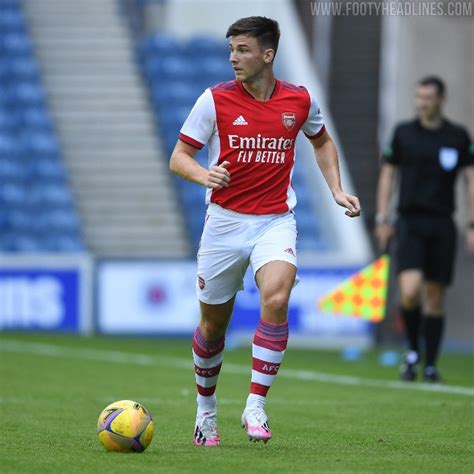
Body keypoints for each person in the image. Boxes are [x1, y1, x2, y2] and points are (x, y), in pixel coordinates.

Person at [170, 16, 361, 447]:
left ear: (268, 54)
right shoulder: (213, 100)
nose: (233, 58)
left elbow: (322, 140)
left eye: (243, 50)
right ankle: (206, 412)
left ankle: (255, 404)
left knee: (276, 296)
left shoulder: (300, 100)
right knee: (213, 326)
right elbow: (179, 156)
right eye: (231, 50)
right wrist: (204, 176)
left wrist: (336, 189)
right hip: (223, 223)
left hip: (275, 220)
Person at [375, 76, 474, 383]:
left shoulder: (458, 136)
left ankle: (430, 364)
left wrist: (472, 224)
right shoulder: (404, 133)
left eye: (428, 97)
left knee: (434, 297)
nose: (422, 103)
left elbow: (471, 180)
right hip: (409, 222)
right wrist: (383, 218)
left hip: (443, 224)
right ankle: (413, 351)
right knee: (409, 291)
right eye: (419, 97)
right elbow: (388, 175)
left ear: (441, 99)